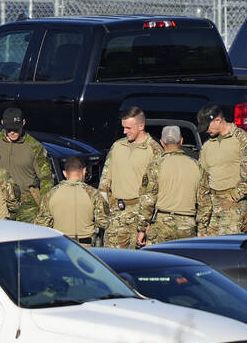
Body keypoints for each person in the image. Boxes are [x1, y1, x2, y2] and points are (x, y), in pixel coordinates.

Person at [98, 106, 164, 248]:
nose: (124, 131)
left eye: (128, 128)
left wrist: (148, 223)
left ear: (141, 126)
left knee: (138, 263)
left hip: (140, 215)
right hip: (116, 214)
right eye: (123, 127)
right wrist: (104, 212)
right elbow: (105, 181)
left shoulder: (155, 151)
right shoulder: (117, 146)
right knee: (111, 262)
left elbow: (158, 189)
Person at [136, 126, 211, 245]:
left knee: (159, 261)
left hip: (161, 223)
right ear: (181, 141)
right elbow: (205, 202)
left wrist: (142, 228)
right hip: (187, 224)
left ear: (161, 142)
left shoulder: (156, 166)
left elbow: (148, 200)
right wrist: (202, 229)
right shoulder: (197, 166)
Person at [196, 103, 247, 235]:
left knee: (230, 245)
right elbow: (203, 176)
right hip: (212, 204)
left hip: (233, 204)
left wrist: (233, 197)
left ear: (218, 120)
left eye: (207, 126)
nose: (206, 131)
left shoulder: (242, 140)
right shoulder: (208, 145)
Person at [0, 108, 53, 222]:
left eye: (16, 128)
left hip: (27, 206)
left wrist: (44, 209)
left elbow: (46, 179)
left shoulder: (35, 147)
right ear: (2, 124)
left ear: (23, 123)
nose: (12, 132)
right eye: (9, 129)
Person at [35, 156, 109, 244]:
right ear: (84, 171)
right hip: (86, 248)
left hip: (61, 245)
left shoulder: (50, 194)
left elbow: (42, 224)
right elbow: (104, 222)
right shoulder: (94, 194)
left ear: (64, 173)